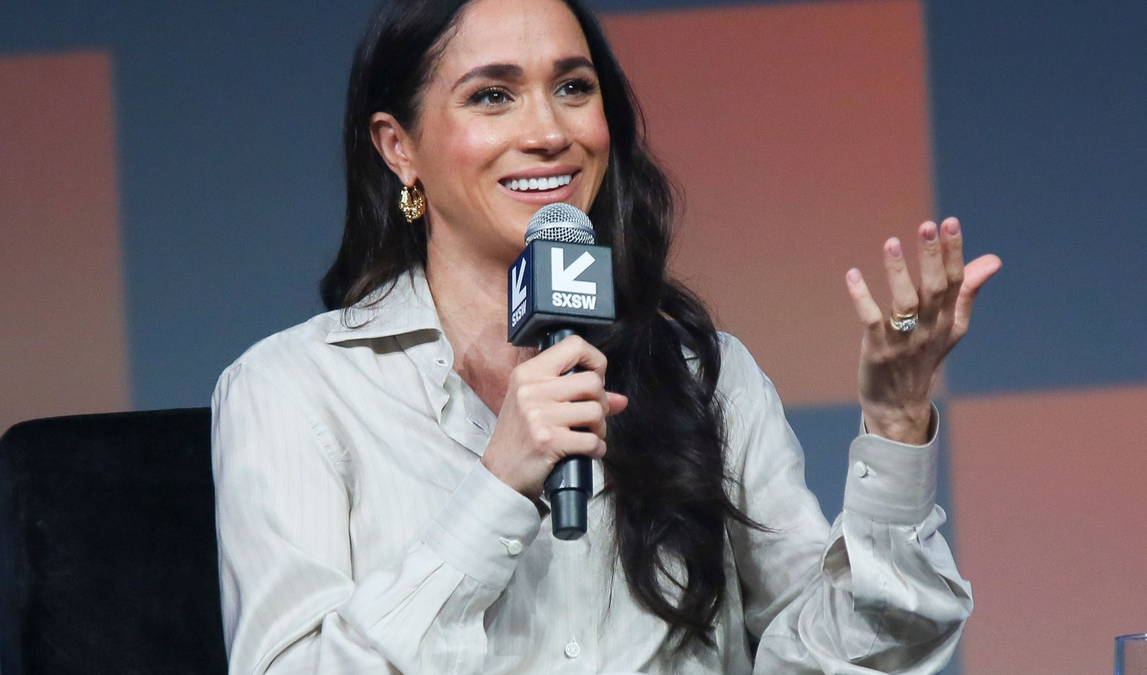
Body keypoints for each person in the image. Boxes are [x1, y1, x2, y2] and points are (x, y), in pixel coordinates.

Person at [211, 0, 1001, 672]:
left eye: (573, 87)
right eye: (492, 96)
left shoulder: (702, 375)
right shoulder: (294, 389)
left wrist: (896, 424)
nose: (549, 131)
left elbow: (844, 659)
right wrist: (496, 488)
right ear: (399, 148)